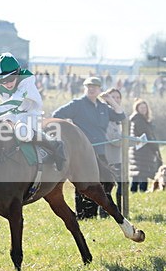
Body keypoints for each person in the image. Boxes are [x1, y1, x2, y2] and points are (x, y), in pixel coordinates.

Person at [52, 76, 125, 219]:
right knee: (83, 184)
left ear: (99, 89)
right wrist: (71, 133)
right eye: (88, 86)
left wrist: (110, 100)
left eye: (95, 87)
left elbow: (120, 115)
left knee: (105, 182)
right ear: (85, 88)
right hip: (82, 153)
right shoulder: (77, 104)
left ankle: (104, 213)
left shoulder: (103, 107)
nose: (91, 89)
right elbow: (57, 115)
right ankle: (84, 215)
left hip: (100, 152)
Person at [0, 53, 65, 171]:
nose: (7, 84)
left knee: (22, 132)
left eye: (10, 79)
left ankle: (54, 144)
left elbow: (14, 101)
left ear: (18, 72)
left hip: (30, 114)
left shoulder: (26, 80)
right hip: (10, 114)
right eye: (1, 81)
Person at [128, 98, 163, 192]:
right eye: (141, 107)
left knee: (137, 173)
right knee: (142, 173)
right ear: (137, 108)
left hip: (139, 150)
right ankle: (142, 191)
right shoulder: (139, 120)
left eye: (145, 107)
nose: (143, 109)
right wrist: (155, 147)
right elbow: (146, 136)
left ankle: (134, 191)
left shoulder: (141, 120)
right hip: (141, 151)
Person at [100, 87, 125, 214]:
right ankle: (106, 212)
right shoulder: (106, 115)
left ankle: (119, 210)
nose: (115, 100)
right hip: (109, 158)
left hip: (118, 157)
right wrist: (129, 141)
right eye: (112, 97)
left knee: (120, 185)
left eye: (118, 97)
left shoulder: (118, 117)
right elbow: (114, 139)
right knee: (107, 187)